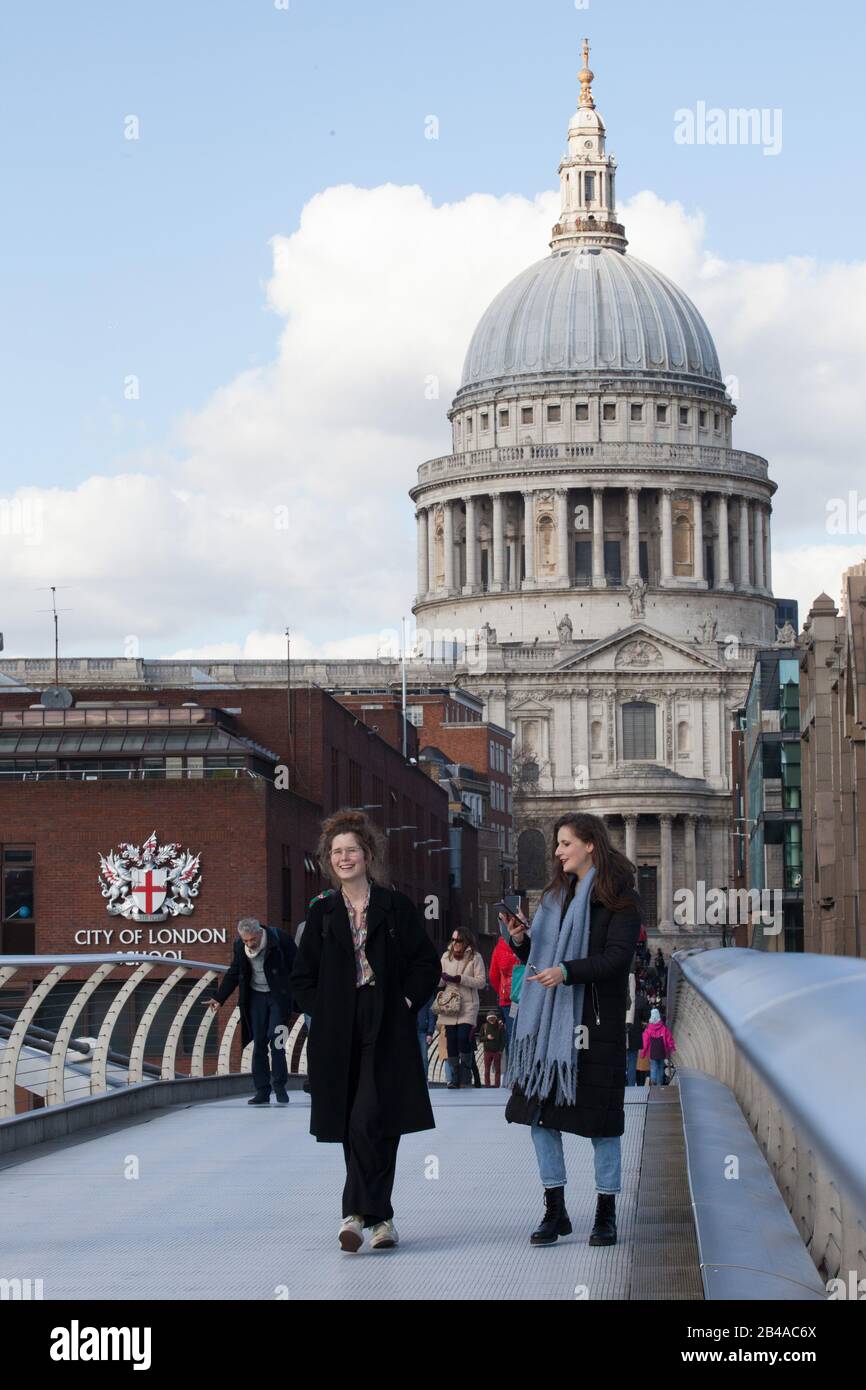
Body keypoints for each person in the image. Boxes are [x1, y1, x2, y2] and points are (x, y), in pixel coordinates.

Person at [291, 809, 441, 1252]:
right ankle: (380, 1220)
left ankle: (353, 1213)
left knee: (372, 1115)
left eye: (352, 849)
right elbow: (300, 978)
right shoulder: (321, 914)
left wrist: (408, 1001)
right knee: (353, 1120)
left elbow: (426, 963)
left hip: (386, 1018)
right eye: (336, 851)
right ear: (328, 859)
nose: (344, 857)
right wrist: (324, 1008)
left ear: (368, 853)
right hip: (338, 1026)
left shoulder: (395, 907)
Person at [501, 813, 641, 1248]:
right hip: (544, 1029)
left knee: (601, 1122)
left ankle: (605, 1213)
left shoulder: (621, 900)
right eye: (557, 844)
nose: (558, 851)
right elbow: (537, 956)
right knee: (539, 1115)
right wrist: (520, 940)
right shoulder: (554, 898)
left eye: (565, 843)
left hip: (594, 1024)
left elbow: (617, 960)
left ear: (590, 845)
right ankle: (555, 1207)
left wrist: (567, 971)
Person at [209, 917, 297, 1105]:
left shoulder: (279, 939)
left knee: (277, 1041)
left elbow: (298, 966)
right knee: (258, 1044)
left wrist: (299, 995)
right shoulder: (240, 946)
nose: (249, 944)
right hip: (255, 998)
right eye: (245, 940)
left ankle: (280, 1087)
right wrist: (219, 998)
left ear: (259, 933)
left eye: (252, 940)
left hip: (278, 998)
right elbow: (234, 972)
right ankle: (262, 1091)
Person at [438, 927, 486, 1088]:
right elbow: (440, 982)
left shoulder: (475, 957)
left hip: (468, 1003)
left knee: (463, 1037)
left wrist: (461, 979)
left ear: (465, 941)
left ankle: (466, 1069)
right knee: (451, 1039)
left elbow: (481, 982)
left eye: (458, 940)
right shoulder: (446, 956)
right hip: (450, 1003)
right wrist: (440, 978)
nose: (454, 943)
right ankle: (455, 1077)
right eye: (453, 940)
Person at [489, 922, 521, 1058]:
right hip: (527, 998)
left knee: (512, 1034)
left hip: (510, 1000)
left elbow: (493, 976)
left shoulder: (499, 947)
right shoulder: (528, 943)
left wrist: (503, 992)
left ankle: (513, 1072)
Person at [640, 1007, 676, 1087]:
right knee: (660, 1069)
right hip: (662, 1052)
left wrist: (643, 1053)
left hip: (652, 1053)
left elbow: (645, 1044)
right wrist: (672, 1048)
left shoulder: (648, 1030)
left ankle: (653, 1084)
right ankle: (659, 1086)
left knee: (653, 1068)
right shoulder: (664, 1028)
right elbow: (669, 1039)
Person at [478, 1012, 506, 1087]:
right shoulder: (484, 1026)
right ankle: (487, 1085)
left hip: (497, 1052)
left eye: (493, 1018)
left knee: (498, 1070)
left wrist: (500, 1051)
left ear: (495, 1018)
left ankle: (497, 1085)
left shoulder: (500, 1027)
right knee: (487, 1070)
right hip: (487, 1051)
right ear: (487, 1019)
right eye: (490, 1019)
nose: (492, 1020)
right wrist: (487, 1037)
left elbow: (503, 1040)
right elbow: (480, 1039)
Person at [416, 996, 437, 1079]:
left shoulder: (428, 995)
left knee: (424, 1057)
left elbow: (431, 1014)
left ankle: (424, 1079)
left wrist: (430, 1032)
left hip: (423, 1032)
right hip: (410, 1031)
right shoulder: (409, 992)